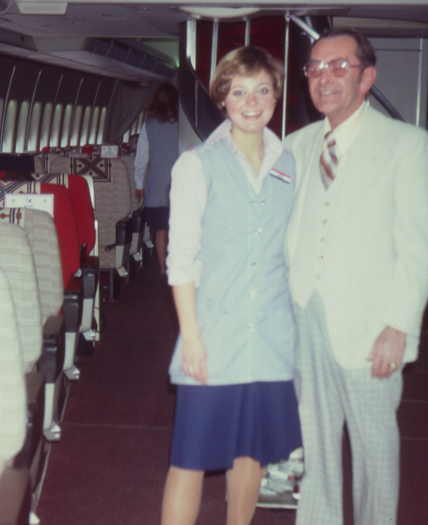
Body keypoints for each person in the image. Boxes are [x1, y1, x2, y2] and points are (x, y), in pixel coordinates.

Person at [284, 29, 428, 525]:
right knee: (316, 445)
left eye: (339, 67)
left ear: (367, 77)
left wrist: (400, 325)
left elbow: (421, 244)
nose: (324, 78)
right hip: (303, 316)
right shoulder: (295, 145)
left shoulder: (406, 143)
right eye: (315, 68)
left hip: (374, 327)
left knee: (375, 452)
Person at [163, 46, 302, 525]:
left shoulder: (292, 165)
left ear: (276, 96)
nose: (251, 101)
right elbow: (180, 261)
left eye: (262, 90)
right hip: (214, 335)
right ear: (222, 98)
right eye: (238, 91)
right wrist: (192, 339)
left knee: (252, 455)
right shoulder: (196, 165)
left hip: (271, 338)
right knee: (190, 459)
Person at [134, 83, 179, 280]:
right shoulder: (182, 125)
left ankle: (162, 269)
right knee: (178, 229)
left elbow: (141, 159)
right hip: (179, 183)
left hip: (156, 185)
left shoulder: (148, 125)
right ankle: (179, 268)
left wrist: (139, 185)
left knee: (160, 230)